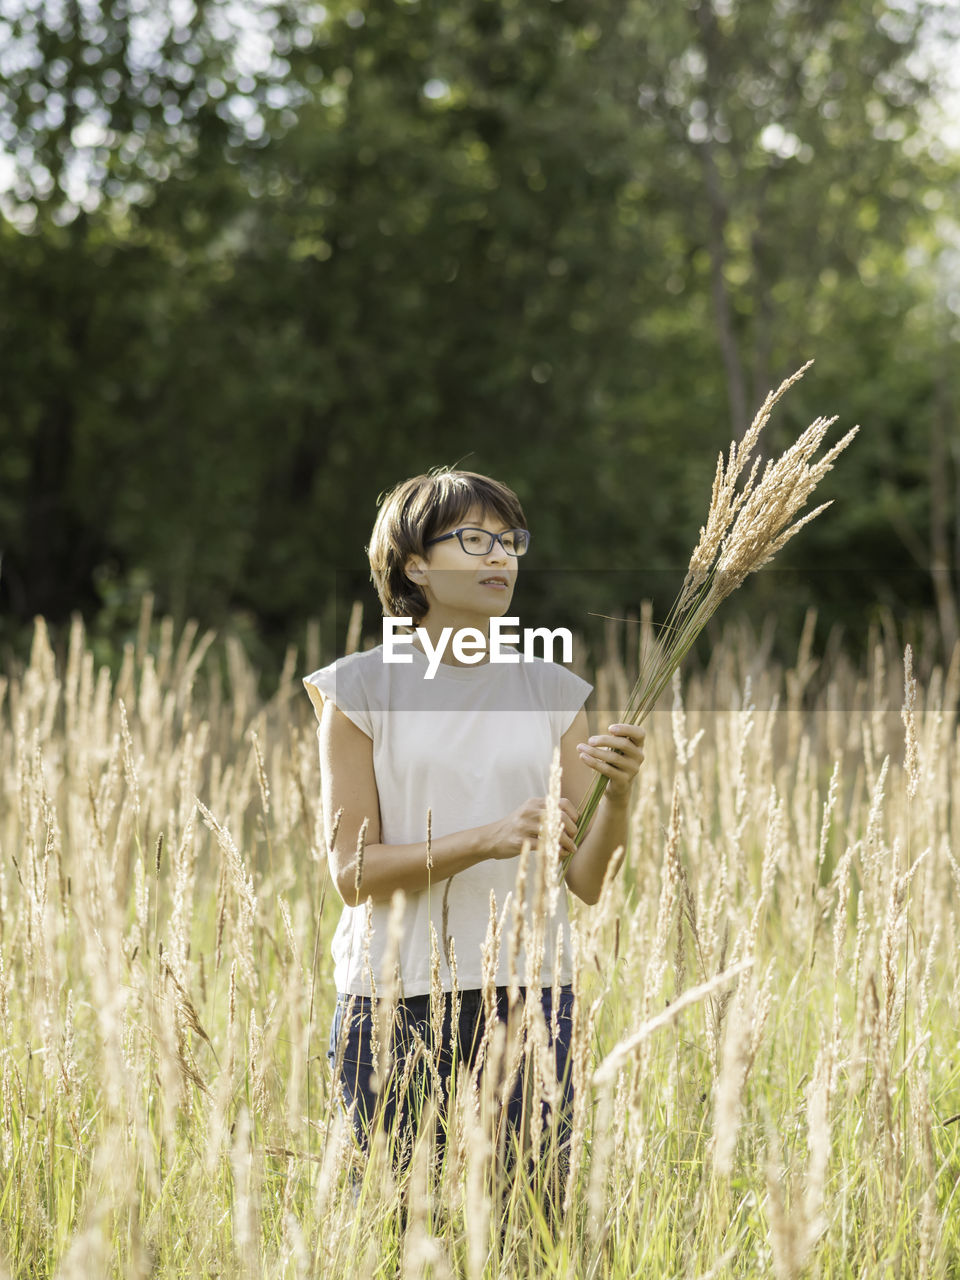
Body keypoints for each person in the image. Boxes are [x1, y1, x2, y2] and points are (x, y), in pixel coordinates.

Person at [302, 469, 645, 1196]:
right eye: (474, 540)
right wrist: (486, 839)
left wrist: (617, 800)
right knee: (394, 1229)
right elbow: (353, 872)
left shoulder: (554, 691)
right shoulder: (359, 690)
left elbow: (586, 882)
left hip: (531, 989)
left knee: (531, 1227)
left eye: (509, 541)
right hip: (394, 995)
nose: (501, 558)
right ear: (414, 564)